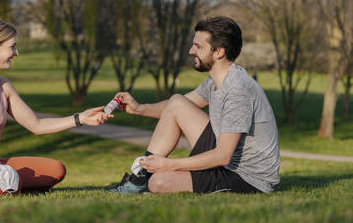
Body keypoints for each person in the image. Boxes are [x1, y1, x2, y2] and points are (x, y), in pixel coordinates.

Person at [0, 17, 112, 198]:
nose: (16, 52)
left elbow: (37, 125)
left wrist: (80, 118)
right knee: (8, 180)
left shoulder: (3, 87)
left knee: (56, 170)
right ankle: (5, 184)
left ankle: (7, 183)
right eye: (12, 46)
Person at [108, 16, 280, 194]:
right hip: (228, 160)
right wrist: (139, 108)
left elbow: (223, 155)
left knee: (159, 182)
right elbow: (175, 108)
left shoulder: (238, 90)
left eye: (198, 46)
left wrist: (170, 165)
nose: (191, 51)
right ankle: (139, 179)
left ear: (218, 52)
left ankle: (146, 180)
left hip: (247, 178)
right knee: (176, 102)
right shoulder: (216, 81)